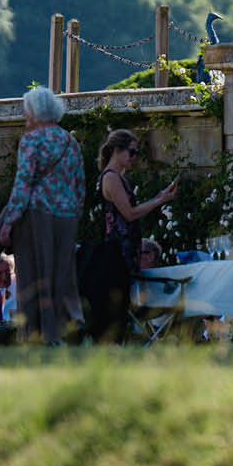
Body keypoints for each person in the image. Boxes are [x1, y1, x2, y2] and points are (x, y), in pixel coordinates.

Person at [0, 86, 86, 344]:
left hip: (37, 218)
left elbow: (22, 186)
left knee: (34, 278)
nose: (24, 115)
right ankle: (64, 332)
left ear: (35, 111)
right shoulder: (70, 141)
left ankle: (34, 335)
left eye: (26, 110)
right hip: (67, 218)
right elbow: (80, 185)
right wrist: (74, 215)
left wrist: (8, 223)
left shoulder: (31, 140)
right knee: (61, 277)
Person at [84, 128, 178, 342]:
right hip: (117, 251)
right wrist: (160, 200)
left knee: (123, 304)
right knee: (118, 306)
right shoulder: (111, 178)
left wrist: (160, 197)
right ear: (117, 150)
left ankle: (122, 343)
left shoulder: (119, 178)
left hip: (124, 249)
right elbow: (129, 213)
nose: (134, 157)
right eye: (132, 152)